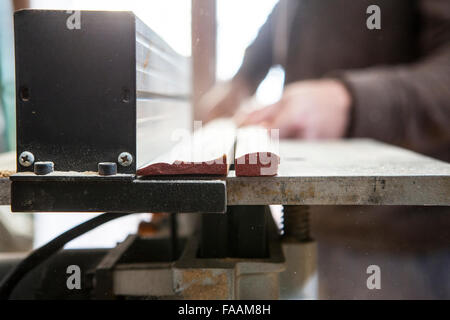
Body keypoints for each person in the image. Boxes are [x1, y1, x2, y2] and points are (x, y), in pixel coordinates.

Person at [200, 0, 450, 299]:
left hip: (395, 238)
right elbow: (282, 20)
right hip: (315, 216)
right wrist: (240, 81)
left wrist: (349, 100)